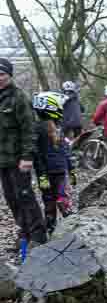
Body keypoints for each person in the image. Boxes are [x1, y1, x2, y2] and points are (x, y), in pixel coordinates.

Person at [0, 57, 48, 249]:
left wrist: (27, 157)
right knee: (11, 198)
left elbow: (29, 130)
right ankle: (24, 233)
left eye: (2, 74)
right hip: (2, 159)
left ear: (9, 75)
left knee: (25, 196)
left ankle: (38, 236)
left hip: (18, 159)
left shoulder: (19, 98)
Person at [32, 91, 75, 234]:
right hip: (52, 172)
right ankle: (54, 228)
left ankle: (68, 227)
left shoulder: (58, 127)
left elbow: (65, 150)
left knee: (58, 200)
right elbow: (37, 155)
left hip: (57, 172)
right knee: (53, 201)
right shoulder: (39, 129)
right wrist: (42, 175)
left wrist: (71, 169)